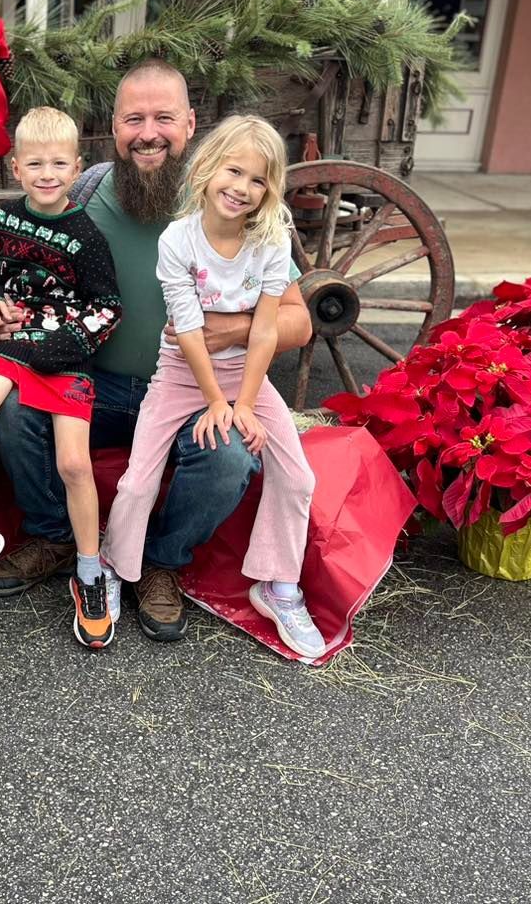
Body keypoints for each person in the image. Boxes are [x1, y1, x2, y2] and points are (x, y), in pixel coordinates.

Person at [0, 59, 313, 643]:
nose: (149, 132)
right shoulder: (80, 195)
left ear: (190, 124)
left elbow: (298, 322)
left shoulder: (228, 198)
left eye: (164, 117)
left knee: (230, 457)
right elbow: (21, 266)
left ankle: (160, 560)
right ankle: (55, 535)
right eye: (134, 119)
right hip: (98, 386)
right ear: (113, 127)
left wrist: (231, 331)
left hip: (193, 391)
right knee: (13, 409)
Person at [101, 115, 324, 658]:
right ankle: (112, 565)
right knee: (136, 482)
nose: (242, 189)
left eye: (258, 181)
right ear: (206, 169)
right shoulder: (180, 239)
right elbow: (188, 331)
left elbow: (267, 327)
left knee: (297, 478)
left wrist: (244, 404)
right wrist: (217, 403)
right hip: (182, 369)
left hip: (246, 372)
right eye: (234, 171)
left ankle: (278, 585)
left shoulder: (270, 239)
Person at [0, 108, 123, 650]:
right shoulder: (8, 221)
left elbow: (107, 308)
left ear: (76, 167)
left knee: (72, 464)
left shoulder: (85, 237)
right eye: (35, 163)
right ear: (15, 168)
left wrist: (63, 346)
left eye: (59, 163)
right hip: (7, 346)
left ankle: (89, 569)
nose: (46, 173)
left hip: (63, 357)